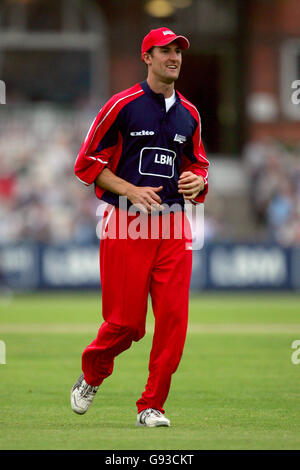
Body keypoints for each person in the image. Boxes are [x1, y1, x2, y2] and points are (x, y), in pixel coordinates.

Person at [71, 27, 209, 427]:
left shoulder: (190, 114)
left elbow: (198, 163)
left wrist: (200, 181)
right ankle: (93, 373)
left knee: (173, 322)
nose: (174, 57)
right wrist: (129, 189)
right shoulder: (122, 105)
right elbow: (86, 165)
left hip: (173, 227)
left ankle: (152, 405)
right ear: (146, 57)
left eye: (178, 51)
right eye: (164, 51)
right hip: (126, 226)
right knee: (127, 325)